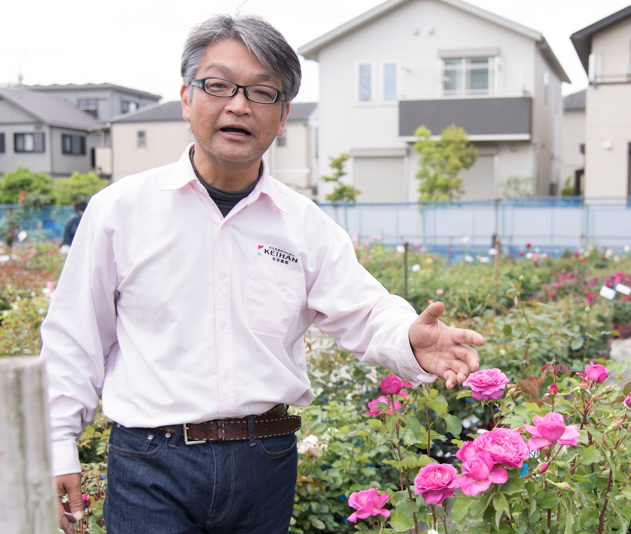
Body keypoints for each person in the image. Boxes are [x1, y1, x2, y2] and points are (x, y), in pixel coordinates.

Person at [40, 14, 484, 534]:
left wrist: (410, 336)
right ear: (186, 98)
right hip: (150, 462)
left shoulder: (303, 224)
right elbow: (76, 334)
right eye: (218, 85)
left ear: (283, 114)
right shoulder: (121, 210)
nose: (238, 105)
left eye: (262, 92)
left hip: (265, 461)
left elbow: (364, 310)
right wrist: (57, 443)